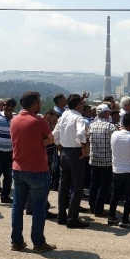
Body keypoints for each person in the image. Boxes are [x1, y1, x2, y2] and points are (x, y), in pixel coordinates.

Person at [9, 91, 56, 253]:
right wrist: (43, 141)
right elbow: (51, 139)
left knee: (17, 206)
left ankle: (16, 241)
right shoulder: (39, 121)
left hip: (18, 168)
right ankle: (38, 242)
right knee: (38, 207)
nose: (41, 105)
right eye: (40, 102)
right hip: (37, 169)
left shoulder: (14, 121)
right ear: (35, 105)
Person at [53, 94, 90, 228]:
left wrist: (60, 146)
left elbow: (55, 134)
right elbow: (81, 134)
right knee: (77, 186)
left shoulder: (63, 116)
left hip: (64, 152)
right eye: (82, 104)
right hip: (75, 152)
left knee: (63, 185)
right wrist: (85, 148)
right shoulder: (78, 118)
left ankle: (61, 215)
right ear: (78, 105)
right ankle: (72, 218)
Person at [108, 113, 130, 227]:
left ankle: (111, 217)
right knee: (129, 196)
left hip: (117, 169)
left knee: (115, 195)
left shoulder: (114, 134)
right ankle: (125, 220)